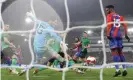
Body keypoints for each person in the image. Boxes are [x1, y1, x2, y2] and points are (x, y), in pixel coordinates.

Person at [105, 5, 130, 77]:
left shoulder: (110, 15)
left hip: (113, 36)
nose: (106, 12)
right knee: (120, 52)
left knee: (114, 53)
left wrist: (107, 34)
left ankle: (117, 70)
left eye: (107, 10)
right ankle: (125, 69)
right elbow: (125, 25)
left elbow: (109, 25)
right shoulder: (120, 16)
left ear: (111, 9)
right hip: (119, 35)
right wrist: (126, 35)